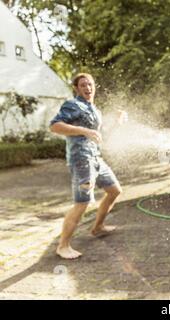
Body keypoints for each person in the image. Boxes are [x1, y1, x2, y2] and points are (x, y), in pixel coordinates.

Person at [50, 73, 126, 259]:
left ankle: (97, 227)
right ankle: (63, 246)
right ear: (76, 88)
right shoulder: (72, 105)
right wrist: (83, 130)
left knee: (115, 191)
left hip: (95, 158)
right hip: (81, 160)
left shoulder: (94, 110)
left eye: (90, 84)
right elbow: (55, 126)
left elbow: (100, 137)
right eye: (83, 85)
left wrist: (117, 123)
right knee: (82, 203)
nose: (88, 88)